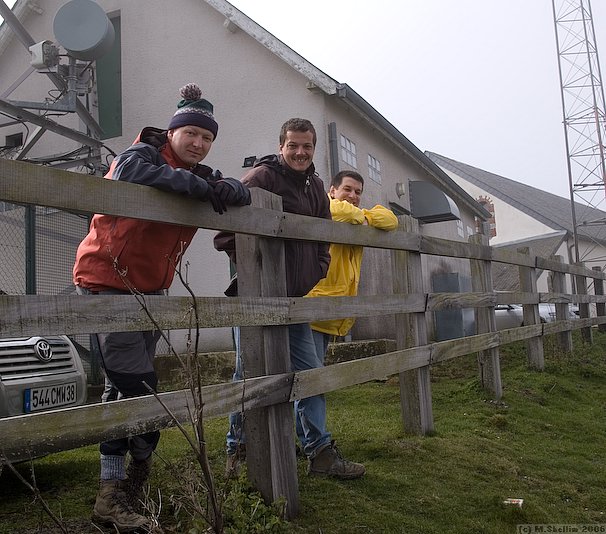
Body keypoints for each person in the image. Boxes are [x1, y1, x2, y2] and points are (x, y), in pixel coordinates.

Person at [73, 83, 250, 533]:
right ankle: (136, 470)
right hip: (107, 283)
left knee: (122, 390)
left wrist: (224, 186)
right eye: (190, 132)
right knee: (140, 387)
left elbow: (240, 195)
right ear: (172, 131)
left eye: (207, 137)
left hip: (152, 290)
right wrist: (202, 186)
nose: (199, 143)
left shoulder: (198, 172)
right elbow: (131, 175)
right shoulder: (143, 155)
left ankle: (119, 489)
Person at [214, 118, 365, 480]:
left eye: (307, 146)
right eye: (293, 145)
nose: (300, 152)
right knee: (248, 373)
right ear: (282, 145)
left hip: (296, 300)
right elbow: (225, 235)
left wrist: (314, 270)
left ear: (314, 149)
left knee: (311, 374)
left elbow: (323, 236)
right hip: (254, 298)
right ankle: (239, 450)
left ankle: (319, 452)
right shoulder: (261, 178)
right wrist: (261, 268)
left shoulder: (314, 185)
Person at [307, 170, 399, 360]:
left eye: (358, 192)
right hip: (313, 309)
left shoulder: (354, 218)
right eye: (347, 189)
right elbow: (338, 211)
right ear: (332, 191)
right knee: (310, 376)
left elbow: (391, 220)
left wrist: (365, 218)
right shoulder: (321, 206)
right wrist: (365, 218)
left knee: (314, 374)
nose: (353, 196)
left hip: (331, 312)